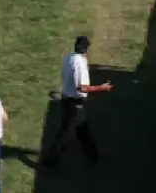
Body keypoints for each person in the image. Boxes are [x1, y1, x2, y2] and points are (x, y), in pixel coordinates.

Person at [41, 36, 113, 169]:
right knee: (67, 134)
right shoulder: (80, 63)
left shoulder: (69, 57)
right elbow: (83, 87)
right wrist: (102, 88)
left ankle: (93, 157)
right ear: (86, 50)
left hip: (68, 100)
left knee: (83, 129)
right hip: (75, 103)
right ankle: (49, 161)